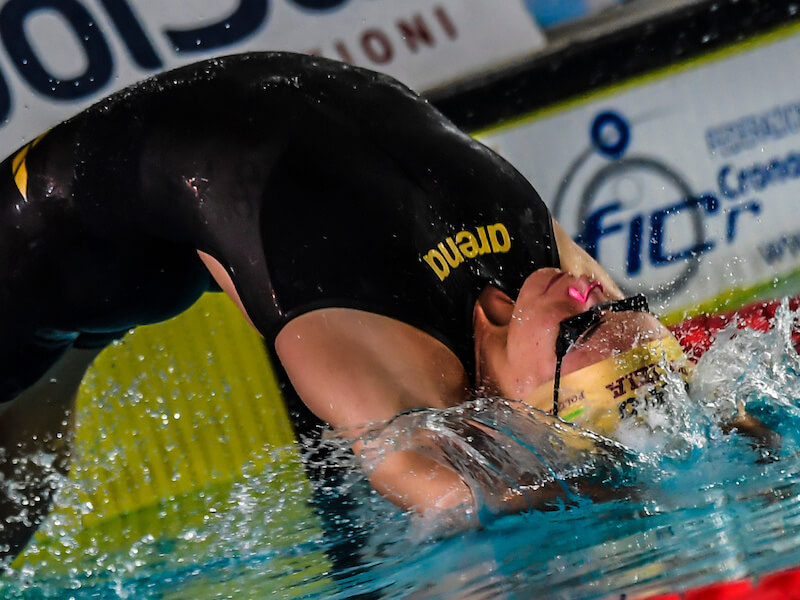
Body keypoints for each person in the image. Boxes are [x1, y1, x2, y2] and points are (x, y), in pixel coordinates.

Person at [0, 51, 691, 559]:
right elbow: (694, 396)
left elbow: (446, 493)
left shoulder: (373, 349)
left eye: (584, 323)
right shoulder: (547, 278)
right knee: (31, 418)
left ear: (516, 412)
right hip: (68, 230)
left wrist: (594, 504)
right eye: (616, 301)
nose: (584, 289)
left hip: (111, 228)